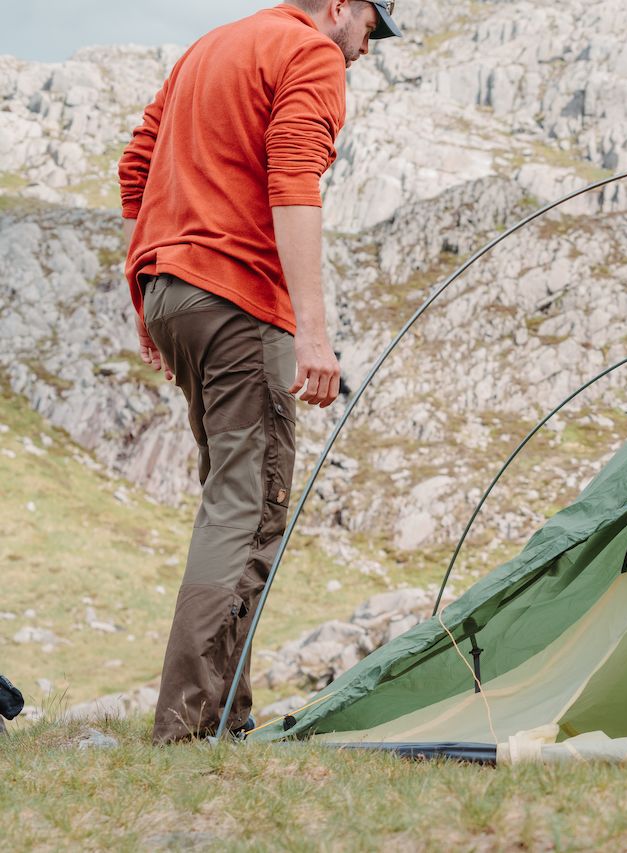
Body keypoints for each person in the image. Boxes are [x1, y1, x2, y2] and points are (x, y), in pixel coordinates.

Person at [118, 0, 402, 744]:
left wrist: (146, 296)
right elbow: (294, 181)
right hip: (239, 299)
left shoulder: (210, 47)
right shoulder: (311, 53)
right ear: (340, 7)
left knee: (230, 499)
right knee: (246, 510)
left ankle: (226, 717)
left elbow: (134, 170)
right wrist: (313, 334)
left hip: (175, 293)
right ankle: (187, 730)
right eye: (370, 28)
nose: (365, 49)